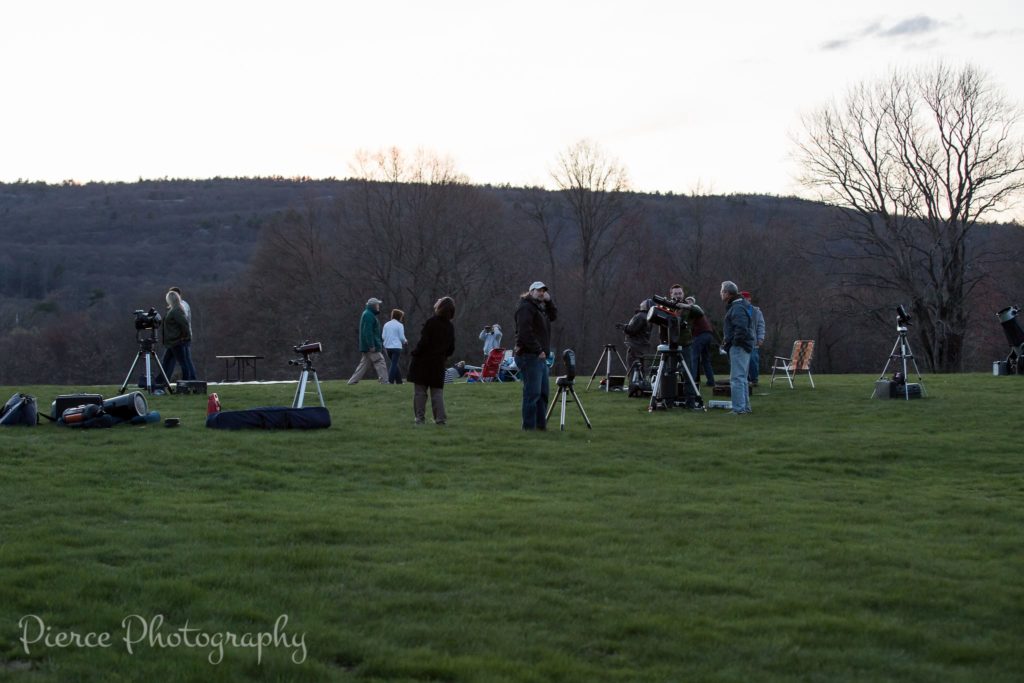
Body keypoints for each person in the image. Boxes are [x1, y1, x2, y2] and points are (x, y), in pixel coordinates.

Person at [514, 281, 557, 430]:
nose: (541, 293)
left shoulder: (540, 308)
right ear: (531, 291)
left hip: (539, 357)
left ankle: (540, 426)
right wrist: (538, 350)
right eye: (538, 290)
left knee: (543, 393)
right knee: (532, 394)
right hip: (529, 355)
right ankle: (528, 428)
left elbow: (553, 316)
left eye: (543, 291)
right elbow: (525, 332)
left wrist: (549, 301)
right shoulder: (525, 308)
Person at [408, 297, 456, 425]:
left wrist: (414, 352)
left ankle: (419, 418)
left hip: (423, 362)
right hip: (438, 363)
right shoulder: (450, 327)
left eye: (439, 301)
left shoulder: (431, 322)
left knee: (420, 392)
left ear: (440, 307)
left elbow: (423, 342)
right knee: (437, 393)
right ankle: (440, 419)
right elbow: (451, 348)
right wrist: (443, 356)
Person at [721, 280, 756, 415]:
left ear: (727, 293)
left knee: (736, 378)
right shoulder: (740, 305)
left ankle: (738, 409)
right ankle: (745, 407)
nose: (721, 294)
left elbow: (740, 328)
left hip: (739, 346)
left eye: (722, 291)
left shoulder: (737, 308)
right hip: (744, 346)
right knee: (742, 378)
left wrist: (733, 343)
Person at [667, 284, 705, 405]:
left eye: (680, 293)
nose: (678, 295)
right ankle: (668, 399)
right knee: (670, 372)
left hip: (686, 344)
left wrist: (685, 306)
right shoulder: (667, 306)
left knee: (688, 372)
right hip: (671, 345)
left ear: (683, 294)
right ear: (671, 295)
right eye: (675, 293)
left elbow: (700, 312)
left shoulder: (688, 307)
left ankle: (690, 400)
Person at [347, 297, 389, 384]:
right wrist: (372, 345)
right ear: (373, 306)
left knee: (364, 364)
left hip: (367, 345)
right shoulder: (368, 315)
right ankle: (384, 381)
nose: (378, 306)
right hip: (371, 346)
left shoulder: (368, 314)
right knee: (380, 361)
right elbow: (368, 332)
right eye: (377, 304)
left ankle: (352, 381)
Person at [161, 289, 196, 382]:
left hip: (177, 341)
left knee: (183, 363)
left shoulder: (176, 310)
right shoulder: (175, 308)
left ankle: (187, 382)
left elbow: (184, 324)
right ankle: (160, 382)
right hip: (174, 341)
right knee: (168, 362)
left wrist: (185, 337)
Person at [690, 296, 717, 388]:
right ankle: (711, 381)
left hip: (701, 335)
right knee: (705, 359)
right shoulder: (698, 310)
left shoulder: (694, 310)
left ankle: (692, 382)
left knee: (693, 357)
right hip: (708, 334)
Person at [741, 291, 766, 386]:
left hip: (753, 341)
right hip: (741, 341)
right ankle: (745, 380)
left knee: (753, 360)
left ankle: (754, 379)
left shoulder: (756, 312)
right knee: (742, 362)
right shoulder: (738, 310)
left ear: (749, 299)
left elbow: (761, 325)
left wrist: (760, 338)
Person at [621, 300, 651, 374]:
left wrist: (623, 327)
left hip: (634, 347)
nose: (641, 303)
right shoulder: (649, 317)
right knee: (641, 371)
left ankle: (633, 385)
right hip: (643, 348)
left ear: (645, 306)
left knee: (632, 371)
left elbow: (631, 329)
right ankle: (642, 385)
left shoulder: (640, 316)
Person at [382, 308, 408, 384]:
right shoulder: (400, 325)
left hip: (387, 347)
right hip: (396, 347)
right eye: (401, 317)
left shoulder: (386, 324)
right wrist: (405, 341)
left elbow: (383, 336)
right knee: (394, 364)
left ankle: (399, 381)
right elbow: (401, 337)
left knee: (394, 363)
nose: (401, 318)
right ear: (399, 316)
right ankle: (390, 381)